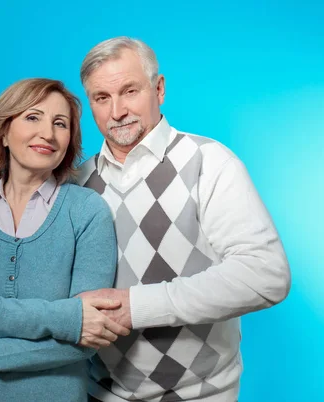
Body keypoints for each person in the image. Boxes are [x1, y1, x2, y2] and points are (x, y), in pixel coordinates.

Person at [76, 37, 291, 401]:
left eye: (130, 91)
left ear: (159, 89)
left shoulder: (209, 162)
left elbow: (266, 274)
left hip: (203, 394)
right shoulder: (77, 183)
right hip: (99, 393)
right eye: (101, 98)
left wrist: (137, 307)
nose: (117, 111)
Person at [0, 78, 130, 402]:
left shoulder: (88, 210)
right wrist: (68, 317)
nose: (48, 133)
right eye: (32, 117)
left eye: (60, 124)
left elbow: (88, 336)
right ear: (4, 132)